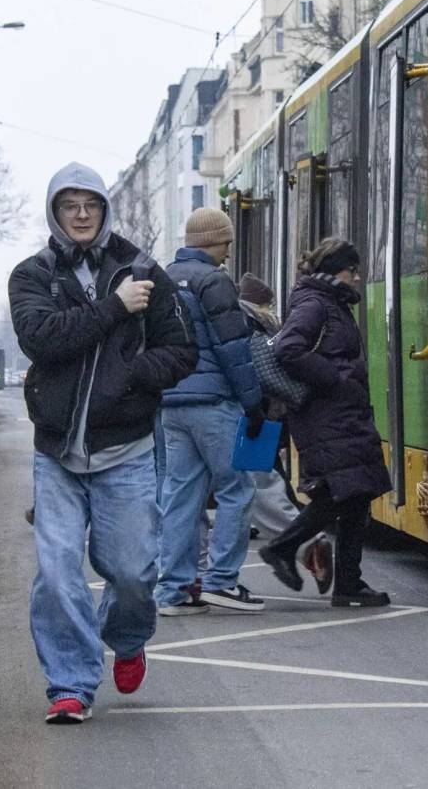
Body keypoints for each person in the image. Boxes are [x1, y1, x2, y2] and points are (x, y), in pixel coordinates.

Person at [9, 162, 196, 725]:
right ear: (55, 213)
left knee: (135, 572)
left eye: (90, 204)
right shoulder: (33, 275)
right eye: (70, 206)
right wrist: (115, 306)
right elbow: (42, 338)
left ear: (105, 209)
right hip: (58, 454)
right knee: (58, 571)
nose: (82, 214)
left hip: (127, 449)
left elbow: (182, 349)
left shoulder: (144, 269)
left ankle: (128, 634)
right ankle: (69, 684)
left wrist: (134, 376)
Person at [258, 238, 392, 608]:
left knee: (355, 496)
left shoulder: (329, 302)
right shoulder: (316, 303)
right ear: (337, 271)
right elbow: (289, 349)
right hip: (326, 413)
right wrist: (334, 379)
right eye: (353, 271)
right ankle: (282, 548)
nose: (359, 278)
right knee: (337, 492)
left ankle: (349, 583)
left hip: (340, 412)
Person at [154, 208, 268, 616]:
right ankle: (222, 581)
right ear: (217, 241)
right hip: (215, 403)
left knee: (181, 497)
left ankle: (173, 590)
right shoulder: (214, 281)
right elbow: (233, 351)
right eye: (227, 244)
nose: (228, 252)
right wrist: (254, 405)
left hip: (171, 405)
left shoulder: (162, 277)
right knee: (236, 489)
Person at [236, 272, 331, 593]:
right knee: (260, 483)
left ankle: (303, 543)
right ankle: (305, 543)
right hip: (261, 415)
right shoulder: (265, 325)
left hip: (242, 415)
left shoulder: (241, 322)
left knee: (252, 486)